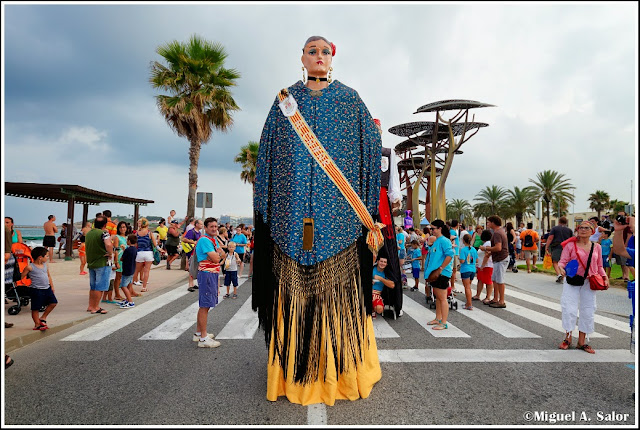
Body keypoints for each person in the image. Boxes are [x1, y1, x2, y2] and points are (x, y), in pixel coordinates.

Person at [252, 35, 381, 406]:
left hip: (340, 216)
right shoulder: (284, 103)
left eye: (325, 51)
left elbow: (370, 148)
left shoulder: (349, 99)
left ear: (332, 58)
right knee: (293, 295)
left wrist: (367, 208)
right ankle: (293, 372)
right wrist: (269, 207)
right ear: (303, 58)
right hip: (290, 215)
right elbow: (268, 154)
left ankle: (340, 372)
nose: (319, 56)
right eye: (313, 51)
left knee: (335, 295)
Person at [558, 221, 608, 353]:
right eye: (581, 228)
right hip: (572, 280)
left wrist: (604, 277)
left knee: (588, 310)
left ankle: (582, 342)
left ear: (592, 231)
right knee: (569, 308)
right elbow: (562, 261)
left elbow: (599, 266)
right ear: (577, 230)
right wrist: (561, 269)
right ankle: (567, 338)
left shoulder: (597, 247)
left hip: (589, 282)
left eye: (586, 228)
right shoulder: (570, 245)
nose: (583, 230)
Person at [193, 217, 225, 348]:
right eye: (211, 226)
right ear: (205, 228)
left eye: (216, 226)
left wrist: (218, 255)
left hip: (211, 274)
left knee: (205, 305)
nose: (214, 229)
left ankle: (199, 333)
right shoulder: (205, 240)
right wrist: (217, 255)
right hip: (207, 274)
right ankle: (203, 338)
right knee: (205, 305)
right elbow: (217, 258)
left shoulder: (212, 240)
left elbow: (221, 254)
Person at [423, 220, 454, 330]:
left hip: (441, 273)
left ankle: (444, 322)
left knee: (442, 298)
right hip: (435, 272)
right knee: (437, 297)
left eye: (433, 228)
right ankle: (438, 318)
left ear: (440, 228)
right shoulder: (437, 240)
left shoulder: (444, 241)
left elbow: (450, 255)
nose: (431, 230)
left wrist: (441, 268)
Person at [20, 246, 58, 330]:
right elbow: (21, 276)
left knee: (53, 303)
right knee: (35, 308)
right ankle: (37, 324)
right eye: (47, 256)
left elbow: (48, 276)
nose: (48, 258)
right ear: (40, 257)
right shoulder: (30, 267)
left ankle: (43, 317)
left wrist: (52, 286)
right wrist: (20, 283)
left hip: (47, 288)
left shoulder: (45, 265)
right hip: (36, 290)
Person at [85, 215, 113, 314]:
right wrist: (110, 253)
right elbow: (108, 244)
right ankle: (96, 307)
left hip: (92, 262)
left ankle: (90, 305)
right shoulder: (104, 233)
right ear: (105, 224)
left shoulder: (89, 233)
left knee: (93, 286)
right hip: (102, 262)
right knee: (100, 286)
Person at [480, 215, 509, 308]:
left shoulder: (497, 233)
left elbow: (498, 247)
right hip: (498, 259)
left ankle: (501, 301)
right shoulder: (499, 232)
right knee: (495, 280)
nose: (487, 224)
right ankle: (496, 298)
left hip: (501, 259)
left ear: (493, 223)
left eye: (488, 222)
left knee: (500, 281)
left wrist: (486, 248)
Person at [546, 216, 575, 283]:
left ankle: (559, 274)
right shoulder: (569, 230)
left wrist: (547, 246)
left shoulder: (554, 228)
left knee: (555, 261)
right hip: (567, 247)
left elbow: (550, 237)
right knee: (565, 262)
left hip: (557, 246)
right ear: (566, 222)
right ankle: (563, 275)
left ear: (559, 221)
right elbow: (572, 239)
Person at [132, 218, 157, 292]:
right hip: (148, 253)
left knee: (136, 271)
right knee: (146, 271)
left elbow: (135, 244)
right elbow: (155, 244)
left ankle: (131, 286)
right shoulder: (149, 233)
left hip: (139, 253)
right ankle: (144, 287)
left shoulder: (136, 233)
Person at [117, 234, 138, 309]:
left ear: (129, 241)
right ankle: (127, 299)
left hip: (126, 270)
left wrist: (123, 251)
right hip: (132, 269)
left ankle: (130, 301)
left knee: (123, 286)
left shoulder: (127, 250)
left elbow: (121, 259)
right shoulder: (135, 249)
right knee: (128, 284)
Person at [472, 230, 494, 302]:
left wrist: (482, 265)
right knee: (480, 280)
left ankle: (488, 297)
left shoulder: (488, 243)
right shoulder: (485, 243)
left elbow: (487, 255)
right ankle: (478, 295)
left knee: (488, 281)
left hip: (487, 265)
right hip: (482, 265)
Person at [458, 233, 478, 310]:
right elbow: (476, 260)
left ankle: (469, 304)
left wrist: (460, 259)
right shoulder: (473, 249)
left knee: (467, 288)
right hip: (473, 269)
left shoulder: (463, 250)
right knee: (469, 287)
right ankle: (468, 302)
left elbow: (462, 261)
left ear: (463, 241)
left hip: (465, 269)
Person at [184, 219, 203, 292]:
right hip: (191, 252)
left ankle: (193, 283)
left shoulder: (199, 232)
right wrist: (193, 242)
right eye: (201, 224)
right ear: (197, 224)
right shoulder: (191, 231)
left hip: (196, 252)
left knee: (195, 268)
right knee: (191, 268)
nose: (202, 225)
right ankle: (190, 284)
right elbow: (184, 239)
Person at [112, 221, 129, 301]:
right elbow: (115, 250)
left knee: (123, 276)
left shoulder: (127, 237)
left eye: (124, 227)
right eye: (121, 227)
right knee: (118, 277)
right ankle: (117, 294)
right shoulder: (117, 237)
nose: (123, 229)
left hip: (126, 259)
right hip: (119, 257)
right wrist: (116, 262)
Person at [449, 219, 460, 289]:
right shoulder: (453, 231)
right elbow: (451, 238)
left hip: (455, 251)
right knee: (454, 269)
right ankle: (452, 285)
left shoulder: (453, 231)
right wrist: (455, 237)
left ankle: (452, 283)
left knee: (454, 269)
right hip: (454, 251)